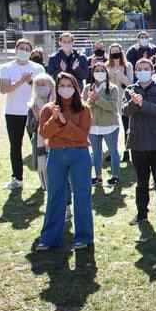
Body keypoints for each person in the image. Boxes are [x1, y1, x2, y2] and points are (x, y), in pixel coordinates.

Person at [36, 73, 93, 251]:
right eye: (62, 85)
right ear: (57, 88)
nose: (65, 89)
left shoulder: (84, 109)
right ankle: (49, 238)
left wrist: (62, 123)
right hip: (56, 155)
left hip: (80, 155)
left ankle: (83, 237)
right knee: (55, 196)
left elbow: (82, 135)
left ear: (75, 88)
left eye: (69, 85)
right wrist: (56, 119)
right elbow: (44, 133)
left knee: (82, 196)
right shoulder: (48, 109)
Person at [121, 58, 156, 226]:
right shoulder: (130, 90)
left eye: (146, 69)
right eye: (139, 69)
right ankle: (142, 213)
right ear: (135, 72)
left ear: (152, 72)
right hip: (138, 143)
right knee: (141, 181)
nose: (142, 71)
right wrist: (134, 103)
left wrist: (142, 103)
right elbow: (125, 111)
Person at [0, 38, 43, 191]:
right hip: (13, 112)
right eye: (21, 48)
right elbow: (3, 89)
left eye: (26, 49)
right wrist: (20, 81)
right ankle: (17, 178)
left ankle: (43, 177)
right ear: (16, 49)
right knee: (15, 146)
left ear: (31, 52)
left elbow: (43, 90)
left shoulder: (38, 68)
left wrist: (30, 82)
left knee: (38, 145)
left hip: (33, 112)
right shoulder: (6, 67)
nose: (23, 51)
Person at [84, 62, 122, 187]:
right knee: (96, 152)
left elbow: (112, 106)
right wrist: (92, 100)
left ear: (106, 73)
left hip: (110, 125)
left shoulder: (113, 88)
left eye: (102, 70)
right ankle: (98, 176)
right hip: (93, 126)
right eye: (96, 70)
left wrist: (98, 100)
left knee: (113, 151)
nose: (99, 73)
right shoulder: (87, 88)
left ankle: (115, 175)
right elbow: (84, 107)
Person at [26, 73, 56, 191]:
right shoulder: (33, 105)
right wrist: (37, 118)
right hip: (40, 145)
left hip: (57, 143)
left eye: (43, 84)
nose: (40, 87)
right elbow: (29, 128)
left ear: (51, 85)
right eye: (37, 85)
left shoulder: (58, 103)